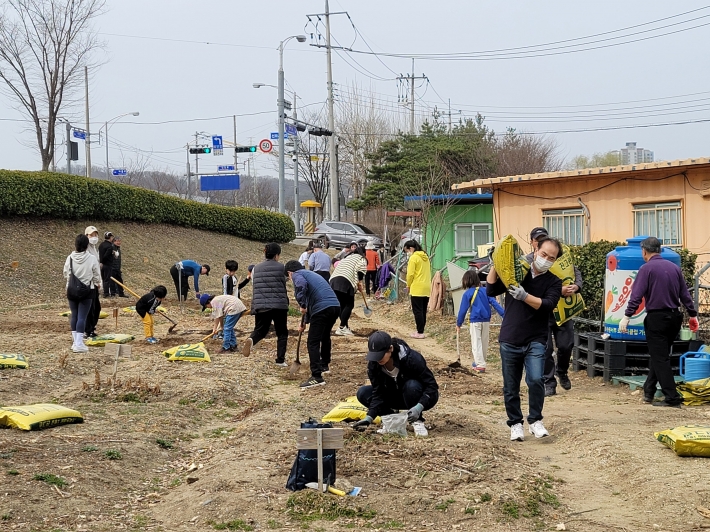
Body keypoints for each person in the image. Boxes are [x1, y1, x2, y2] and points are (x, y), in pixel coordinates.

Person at [487, 236, 563, 441]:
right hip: (510, 337)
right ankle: (515, 423)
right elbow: (491, 289)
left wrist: (524, 296)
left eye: (551, 257)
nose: (546, 259)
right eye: (544, 253)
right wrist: (497, 263)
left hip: (536, 339)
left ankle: (535, 420)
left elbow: (548, 305)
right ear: (536, 249)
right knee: (510, 385)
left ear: (555, 261)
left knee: (536, 379)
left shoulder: (554, 282)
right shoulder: (517, 272)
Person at [620, 236, 699, 408]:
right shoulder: (674, 268)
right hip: (674, 318)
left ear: (644, 251)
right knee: (660, 355)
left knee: (660, 358)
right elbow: (685, 295)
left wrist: (626, 317)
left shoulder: (646, 269)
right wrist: (693, 315)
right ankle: (648, 392)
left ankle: (672, 398)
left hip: (656, 318)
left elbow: (636, 296)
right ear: (660, 250)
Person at [526, 227, 583, 396]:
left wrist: (577, 286)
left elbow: (576, 273)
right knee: (546, 348)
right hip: (543, 310)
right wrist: (559, 290)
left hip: (564, 309)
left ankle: (562, 371)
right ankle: (549, 382)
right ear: (533, 243)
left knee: (566, 344)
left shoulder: (559, 256)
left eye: (544, 238)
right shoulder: (527, 261)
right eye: (538, 240)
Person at [353, 331, 439, 437]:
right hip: (394, 396)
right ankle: (391, 421)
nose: (377, 359)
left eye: (380, 355)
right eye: (374, 356)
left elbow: (432, 386)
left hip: (419, 397)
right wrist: (369, 417)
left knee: (411, 386)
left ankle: (417, 421)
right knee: (363, 393)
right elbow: (378, 393)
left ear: (390, 349)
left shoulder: (412, 359)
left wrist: (419, 407)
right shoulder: (374, 366)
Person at [284, 260, 341, 389]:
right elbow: (313, 300)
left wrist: (302, 304)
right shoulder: (311, 274)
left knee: (312, 342)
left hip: (322, 308)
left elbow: (301, 286)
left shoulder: (298, 274)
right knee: (324, 336)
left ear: (289, 273)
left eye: (288, 277)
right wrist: (304, 322)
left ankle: (316, 376)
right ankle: (324, 364)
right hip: (335, 306)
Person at [242, 243, 290, 366]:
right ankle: (280, 360)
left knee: (261, 330)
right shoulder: (282, 267)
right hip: (279, 305)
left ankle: (251, 339)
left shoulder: (255, 269)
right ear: (277, 255)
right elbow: (286, 279)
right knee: (282, 333)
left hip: (261, 304)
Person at [456, 270, 505, 373]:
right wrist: (504, 315)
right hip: (486, 320)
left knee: (476, 342)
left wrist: (459, 323)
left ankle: (480, 364)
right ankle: (480, 361)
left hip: (475, 321)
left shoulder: (467, 294)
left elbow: (462, 310)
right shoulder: (486, 291)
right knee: (484, 342)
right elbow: (495, 304)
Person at [63, 234, 101, 353]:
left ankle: (75, 342)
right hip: (87, 290)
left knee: (74, 315)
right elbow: (96, 274)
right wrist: (97, 283)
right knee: (82, 317)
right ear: (86, 245)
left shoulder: (70, 257)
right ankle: (79, 343)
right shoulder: (91, 258)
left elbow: (66, 273)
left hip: (71, 289)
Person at [330, 247, 367, 336]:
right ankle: (342, 327)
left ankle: (344, 327)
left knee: (342, 305)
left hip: (333, 280)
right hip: (345, 280)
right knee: (349, 304)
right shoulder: (361, 258)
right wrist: (360, 282)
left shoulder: (347, 257)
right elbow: (360, 270)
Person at [404, 240, 432, 339]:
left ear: (411, 249)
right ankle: (421, 330)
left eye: (407, 251)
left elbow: (410, 274)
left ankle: (420, 332)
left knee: (417, 311)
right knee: (423, 310)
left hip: (417, 287)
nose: (408, 253)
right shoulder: (425, 256)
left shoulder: (414, 258)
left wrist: (408, 285)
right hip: (426, 286)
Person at [84, 225, 102, 338]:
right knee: (90, 308)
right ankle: (88, 330)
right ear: (86, 236)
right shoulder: (85, 248)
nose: (94, 237)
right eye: (91, 235)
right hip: (88, 283)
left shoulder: (94, 248)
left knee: (96, 307)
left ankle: (92, 328)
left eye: (95, 235)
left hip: (95, 283)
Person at [98, 232, 115, 298]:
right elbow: (106, 256)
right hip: (107, 264)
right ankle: (106, 293)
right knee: (107, 279)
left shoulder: (101, 244)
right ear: (110, 238)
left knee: (103, 278)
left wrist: (101, 262)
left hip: (101, 264)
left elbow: (100, 254)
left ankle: (105, 292)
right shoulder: (110, 246)